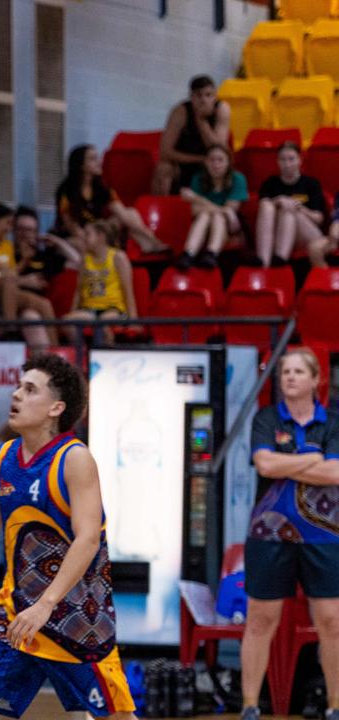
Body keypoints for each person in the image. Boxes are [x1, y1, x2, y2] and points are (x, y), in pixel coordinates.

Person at [0, 354, 136, 719]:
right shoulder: (5, 455)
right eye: (18, 386)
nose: (16, 394)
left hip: (77, 619)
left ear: (56, 407)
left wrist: (46, 604)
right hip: (15, 611)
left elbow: (88, 540)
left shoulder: (75, 459)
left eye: (29, 389)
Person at [239, 348, 339, 720]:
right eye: (285, 373)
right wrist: (313, 459)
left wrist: (286, 466)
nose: (290, 378)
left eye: (298, 372)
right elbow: (263, 463)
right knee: (260, 619)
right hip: (268, 535)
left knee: (332, 621)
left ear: (316, 380)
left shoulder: (333, 422)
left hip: (325, 536)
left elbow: (335, 475)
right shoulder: (266, 419)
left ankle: (335, 706)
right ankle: (250, 705)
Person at [0, 203, 58, 349]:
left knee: (44, 304)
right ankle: (10, 330)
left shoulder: (7, 246)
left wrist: (25, 259)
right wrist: (24, 280)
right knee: (9, 281)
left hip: (7, 291)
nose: (10, 229)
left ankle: (59, 352)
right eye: (8, 223)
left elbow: (13, 272)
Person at [54, 145, 167, 255]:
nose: (99, 162)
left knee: (131, 212)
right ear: (81, 165)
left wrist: (148, 234)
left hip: (97, 230)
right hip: (77, 236)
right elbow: (72, 227)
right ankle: (150, 243)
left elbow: (122, 213)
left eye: (98, 158)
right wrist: (92, 239)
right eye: (93, 159)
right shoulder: (66, 190)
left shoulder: (102, 188)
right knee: (80, 244)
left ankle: (148, 243)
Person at [153, 75, 232, 195]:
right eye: (198, 95)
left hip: (212, 163)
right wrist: (199, 159)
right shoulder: (180, 112)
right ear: (191, 97)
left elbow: (218, 150)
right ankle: (164, 208)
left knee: (219, 163)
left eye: (208, 95)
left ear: (215, 96)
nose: (203, 100)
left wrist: (201, 121)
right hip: (185, 162)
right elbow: (165, 151)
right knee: (163, 168)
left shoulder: (222, 109)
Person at [255, 141, 328, 268]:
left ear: (300, 160)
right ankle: (264, 262)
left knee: (289, 210)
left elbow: (319, 219)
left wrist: (298, 208)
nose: (287, 164)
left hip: (308, 234)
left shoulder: (311, 183)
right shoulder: (270, 183)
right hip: (278, 232)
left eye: (291, 159)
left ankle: (280, 260)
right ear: (277, 161)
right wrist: (278, 201)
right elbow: (263, 209)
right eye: (283, 159)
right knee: (268, 206)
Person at [64, 220, 139, 344]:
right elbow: (78, 290)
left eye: (88, 234)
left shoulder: (118, 257)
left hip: (113, 309)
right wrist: (73, 312)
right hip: (89, 310)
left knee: (101, 324)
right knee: (66, 322)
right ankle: (81, 355)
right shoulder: (85, 259)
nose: (84, 238)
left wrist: (133, 320)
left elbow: (128, 291)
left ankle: (107, 353)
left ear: (101, 236)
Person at [177, 144, 247, 270]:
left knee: (216, 217)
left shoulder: (238, 179)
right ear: (205, 162)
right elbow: (194, 210)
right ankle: (190, 254)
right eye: (212, 160)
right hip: (203, 226)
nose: (216, 164)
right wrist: (222, 210)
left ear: (228, 162)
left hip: (231, 229)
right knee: (206, 216)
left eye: (220, 160)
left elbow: (231, 209)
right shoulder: (198, 179)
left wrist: (197, 199)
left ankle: (206, 254)